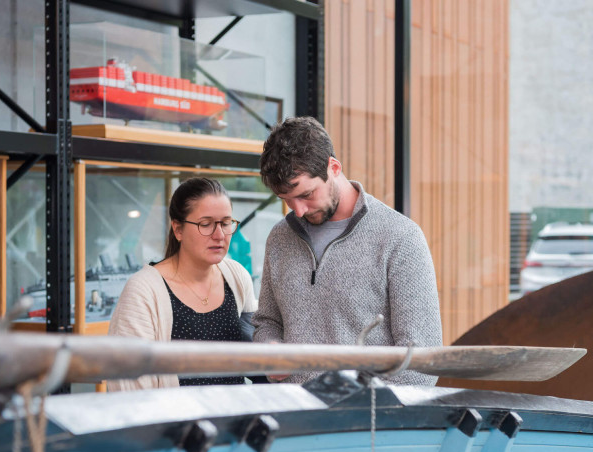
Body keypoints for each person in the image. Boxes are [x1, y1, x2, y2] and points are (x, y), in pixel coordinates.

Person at [253, 116, 442, 386]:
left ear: (333, 167)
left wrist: (366, 414)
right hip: (293, 418)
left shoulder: (400, 238)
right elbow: (268, 321)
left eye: (306, 194)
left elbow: (422, 359)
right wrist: (269, 347)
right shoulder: (279, 237)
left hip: (369, 422)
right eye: (285, 200)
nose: (298, 210)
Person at [107, 177, 258, 391]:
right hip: (176, 422)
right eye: (205, 224)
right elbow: (129, 386)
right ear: (178, 229)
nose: (219, 235)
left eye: (225, 223)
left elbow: (258, 348)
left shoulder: (236, 276)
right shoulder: (144, 290)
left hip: (234, 420)